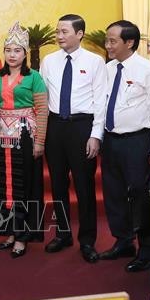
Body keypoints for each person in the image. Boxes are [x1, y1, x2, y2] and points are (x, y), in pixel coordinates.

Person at [39, 14, 107, 264]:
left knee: (85, 186)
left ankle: (87, 240)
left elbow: (101, 100)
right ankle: (63, 234)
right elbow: (43, 97)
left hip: (82, 126)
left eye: (64, 31)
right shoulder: (48, 61)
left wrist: (95, 135)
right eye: (57, 31)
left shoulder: (95, 61)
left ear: (79, 34)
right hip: (56, 126)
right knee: (57, 184)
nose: (59, 36)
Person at [99, 20, 150, 273]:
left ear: (130, 42)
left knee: (140, 194)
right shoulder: (107, 69)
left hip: (138, 140)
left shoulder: (149, 70)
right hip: (111, 139)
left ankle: (146, 248)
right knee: (113, 192)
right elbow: (102, 105)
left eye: (113, 41)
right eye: (107, 40)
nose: (108, 45)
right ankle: (123, 241)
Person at [0, 22, 48, 258]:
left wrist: (40, 141)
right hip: (2, 137)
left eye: (17, 51)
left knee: (25, 185)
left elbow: (42, 109)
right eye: (8, 50)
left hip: (26, 136)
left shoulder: (34, 77)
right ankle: (11, 231)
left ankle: (24, 235)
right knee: (6, 187)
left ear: (25, 53)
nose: (12, 55)